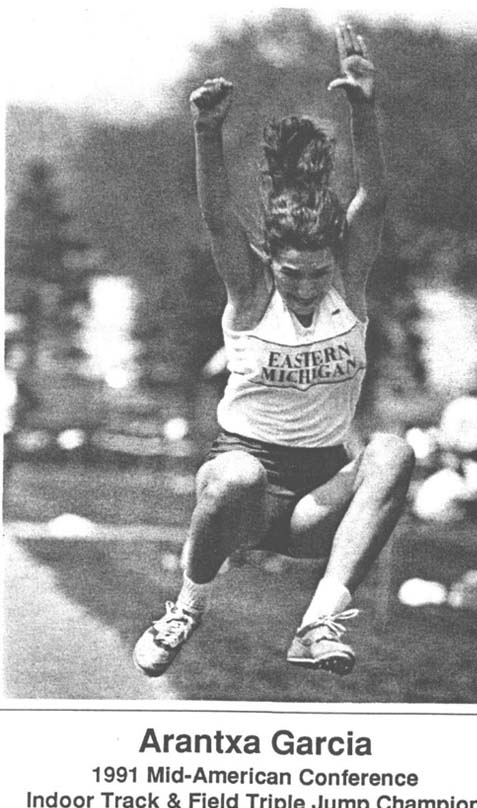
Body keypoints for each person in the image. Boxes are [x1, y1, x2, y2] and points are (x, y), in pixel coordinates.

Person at [134, 23, 414, 678]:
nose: (307, 285)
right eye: (294, 273)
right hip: (242, 488)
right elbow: (215, 217)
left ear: (333, 263)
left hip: (316, 493)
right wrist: (206, 131)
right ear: (273, 262)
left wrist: (363, 109)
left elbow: (372, 198)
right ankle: (184, 608)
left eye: (318, 272)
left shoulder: (348, 284)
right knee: (238, 474)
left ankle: (318, 623)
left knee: (394, 450)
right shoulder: (252, 289)